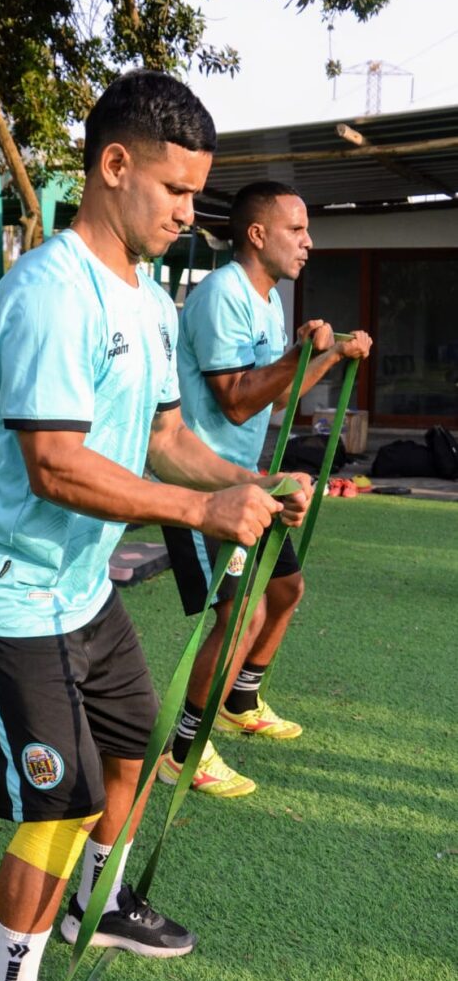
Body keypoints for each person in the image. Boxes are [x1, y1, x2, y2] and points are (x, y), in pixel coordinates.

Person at [0, 75, 312, 981]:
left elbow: (165, 434)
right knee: (57, 802)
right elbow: (55, 464)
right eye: (179, 189)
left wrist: (247, 480)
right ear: (114, 166)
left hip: (80, 587)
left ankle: (94, 901)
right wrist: (199, 515)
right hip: (7, 594)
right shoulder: (51, 293)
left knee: (136, 739)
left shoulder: (147, 296)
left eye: (200, 192)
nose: (193, 212)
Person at [160, 181, 372, 798]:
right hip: (204, 483)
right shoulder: (224, 296)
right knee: (238, 614)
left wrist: (329, 358)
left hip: (253, 481)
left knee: (286, 590)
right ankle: (182, 748)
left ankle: (241, 699)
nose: (308, 242)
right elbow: (233, 403)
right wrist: (310, 351)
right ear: (257, 235)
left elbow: (277, 394)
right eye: (296, 230)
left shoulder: (268, 299)